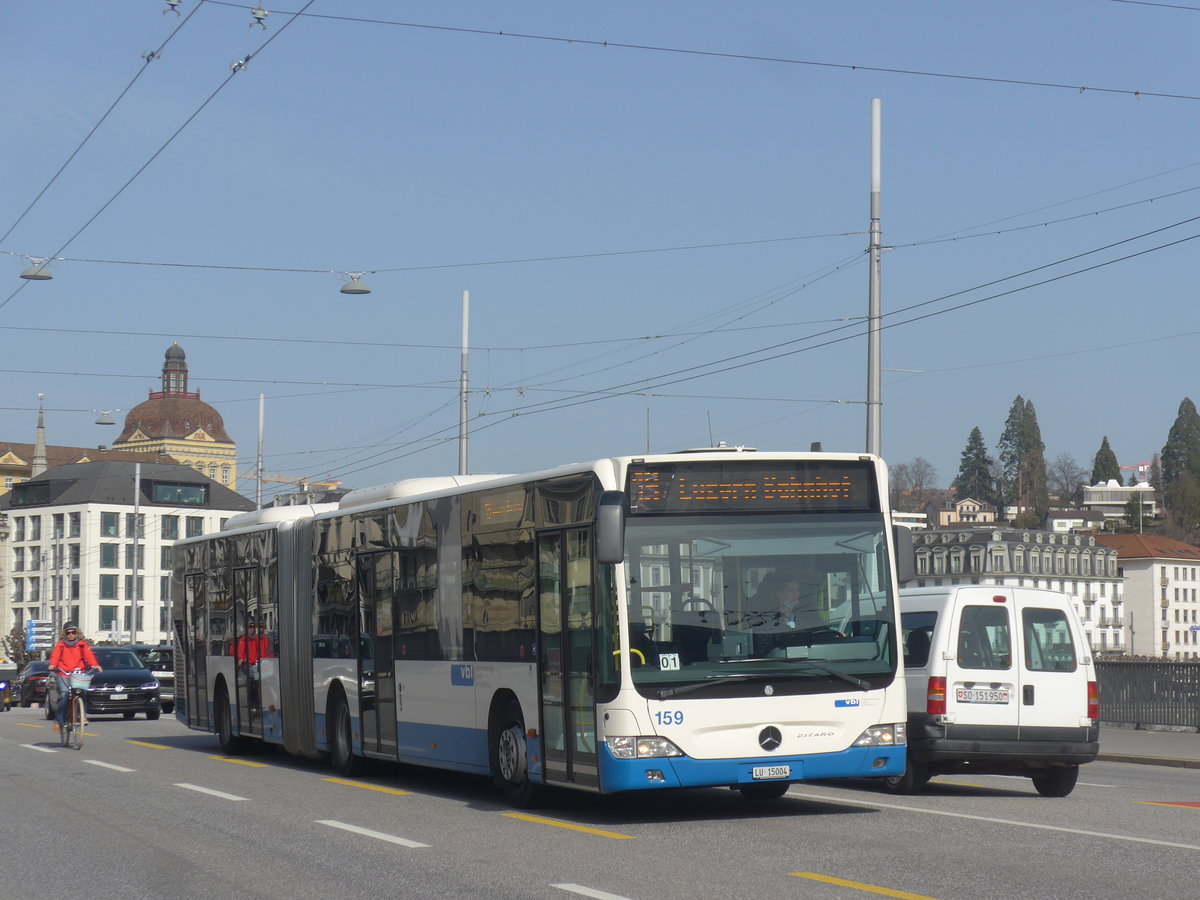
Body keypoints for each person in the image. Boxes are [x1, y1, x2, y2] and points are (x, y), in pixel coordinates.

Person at [749, 573, 829, 656]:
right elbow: (763, 654)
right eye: (791, 590)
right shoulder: (766, 624)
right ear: (779, 593)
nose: (796, 594)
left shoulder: (807, 621)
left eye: (797, 590)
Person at [47, 624, 102, 733]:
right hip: (64, 673)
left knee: (82, 693)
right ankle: (59, 721)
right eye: (68, 633)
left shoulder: (82, 645)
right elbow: (55, 657)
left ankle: (82, 716)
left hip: (78, 673)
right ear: (64, 634)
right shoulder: (61, 645)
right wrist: (53, 665)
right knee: (64, 694)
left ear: (77, 633)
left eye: (73, 632)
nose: (71, 635)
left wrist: (95, 665)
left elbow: (89, 657)